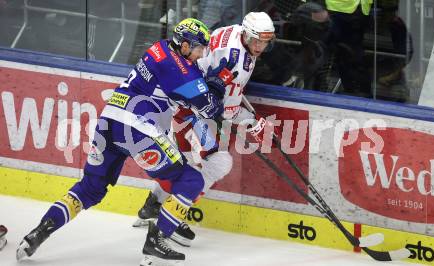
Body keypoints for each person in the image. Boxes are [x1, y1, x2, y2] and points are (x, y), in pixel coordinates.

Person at [16, 18, 234, 266]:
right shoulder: (183, 70)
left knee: (90, 188)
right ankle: (156, 242)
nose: (201, 53)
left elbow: (179, 86)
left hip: (109, 120)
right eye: (198, 48)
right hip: (138, 128)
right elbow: (210, 109)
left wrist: (203, 84)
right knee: (192, 180)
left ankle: (39, 231)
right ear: (184, 46)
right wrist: (216, 86)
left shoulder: (160, 47)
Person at [133, 12, 278, 247]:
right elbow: (225, 112)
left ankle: (153, 205)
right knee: (219, 162)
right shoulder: (237, 63)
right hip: (194, 110)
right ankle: (173, 214)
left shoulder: (232, 31)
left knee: (186, 161)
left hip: (185, 101)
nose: (260, 46)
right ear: (247, 34)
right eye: (256, 40)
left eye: (264, 41)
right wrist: (253, 124)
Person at [325, 0, 373, 97]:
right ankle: (353, 91)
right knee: (341, 53)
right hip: (340, 9)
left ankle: (355, 91)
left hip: (354, 10)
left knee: (348, 54)